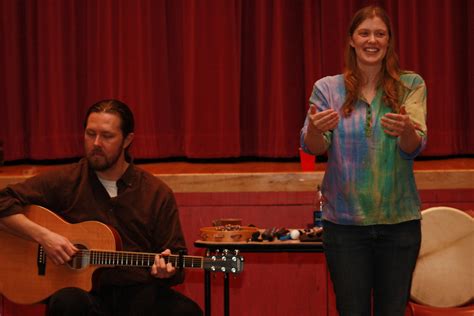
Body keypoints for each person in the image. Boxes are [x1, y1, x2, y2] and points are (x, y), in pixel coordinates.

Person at [0, 99, 203, 316]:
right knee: (66, 303)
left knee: (186, 312)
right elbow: (3, 200)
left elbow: (177, 258)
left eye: (107, 136)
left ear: (127, 140)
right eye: (90, 134)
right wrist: (45, 237)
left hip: (137, 295)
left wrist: (167, 271)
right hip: (84, 297)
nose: (96, 143)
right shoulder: (66, 180)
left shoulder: (156, 193)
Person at [300, 5, 427, 316]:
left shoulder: (410, 85)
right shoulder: (327, 88)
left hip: (399, 225)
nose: (373, 40)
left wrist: (407, 130)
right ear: (352, 40)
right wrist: (316, 129)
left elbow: (414, 147)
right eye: (365, 33)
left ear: (389, 41)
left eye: (380, 34)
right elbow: (312, 146)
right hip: (344, 227)